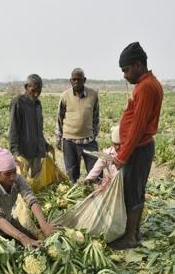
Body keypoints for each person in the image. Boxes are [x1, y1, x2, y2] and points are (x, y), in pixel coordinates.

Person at [109, 42, 164, 250]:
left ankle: (130, 237)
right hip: (139, 148)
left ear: (138, 65)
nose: (124, 75)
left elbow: (138, 127)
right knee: (135, 191)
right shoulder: (147, 84)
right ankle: (134, 232)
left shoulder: (146, 87)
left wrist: (122, 156)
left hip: (138, 149)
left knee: (132, 193)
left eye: (126, 70)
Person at [0, 148, 55, 248]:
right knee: (15, 247)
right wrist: (22, 237)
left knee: (33, 239)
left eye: (14, 172)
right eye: (8, 174)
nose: (12, 177)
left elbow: (31, 199)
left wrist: (44, 225)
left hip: (7, 219)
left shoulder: (17, 179)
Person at [55, 68, 100, 182]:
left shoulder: (93, 95)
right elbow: (60, 118)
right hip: (70, 141)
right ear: (70, 81)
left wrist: (94, 134)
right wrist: (59, 138)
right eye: (73, 80)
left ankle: (96, 195)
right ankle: (77, 197)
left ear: (84, 80)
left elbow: (96, 117)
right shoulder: (65, 96)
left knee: (96, 173)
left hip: (88, 141)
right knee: (72, 175)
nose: (76, 82)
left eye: (79, 79)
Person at [8, 74, 53, 178]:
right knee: (21, 183)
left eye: (39, 91)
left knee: (36, 183)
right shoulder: (18, 102)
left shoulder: (38, 104)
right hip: (24, 153)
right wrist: (15, 152)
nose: (36, 94)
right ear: (26, 87)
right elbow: (13, 129)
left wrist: (45, 145)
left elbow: (38, 129)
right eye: (33, 90)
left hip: (37, 152)